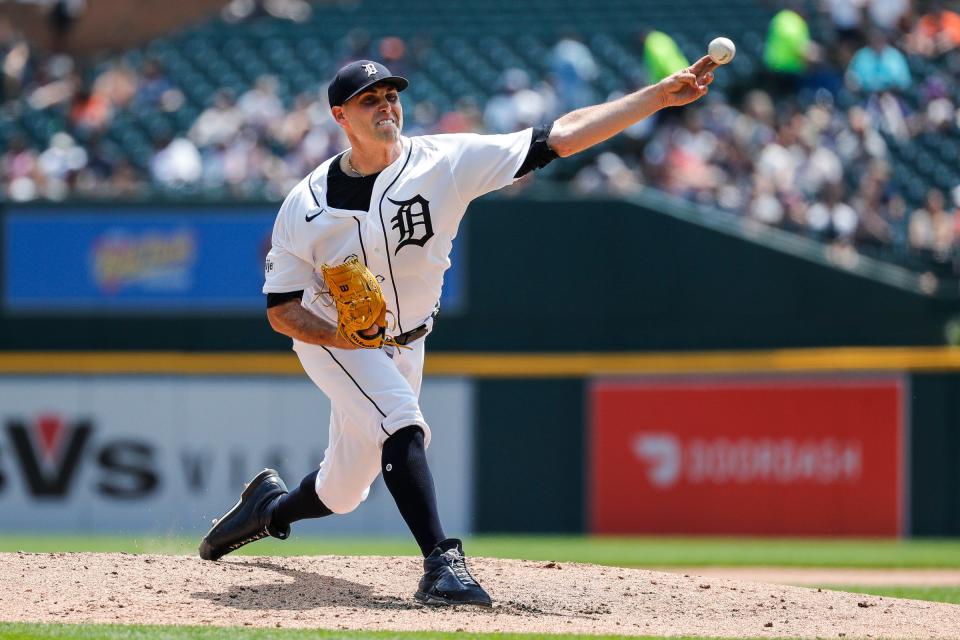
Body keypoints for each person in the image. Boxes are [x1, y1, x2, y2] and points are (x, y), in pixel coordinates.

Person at [199, 56, 716, 606]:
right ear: (340, 116)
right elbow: (281, 310)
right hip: (332, 340)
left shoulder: (445, 161)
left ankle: (268, 509)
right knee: (401, 422)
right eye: (370, 100)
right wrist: (343, 338)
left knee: (344, 489)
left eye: (391, 95)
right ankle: (441, 564)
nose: (386, 106)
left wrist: (656, 98)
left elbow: (558, 138)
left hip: (409, 340)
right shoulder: (305, 205)